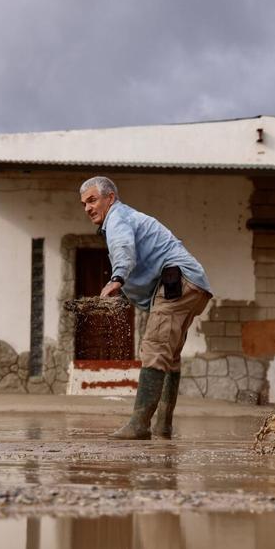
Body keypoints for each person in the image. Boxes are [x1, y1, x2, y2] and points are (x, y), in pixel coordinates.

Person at [79, 176, 212, 440]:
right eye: (83, 204)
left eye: (92, 200)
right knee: (169, 356)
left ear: (110, 198)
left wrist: (117, 278)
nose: (88, 208)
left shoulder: (117, 218)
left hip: (178, 282)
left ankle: (140, 424)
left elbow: (124, 248)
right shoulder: (128, 217)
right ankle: (163, 424)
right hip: (193, 285)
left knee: (153, 348)